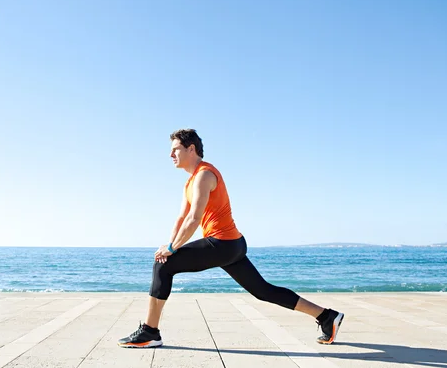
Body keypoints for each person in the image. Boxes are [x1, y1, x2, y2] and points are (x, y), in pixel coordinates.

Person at [118, 129, 344, 348]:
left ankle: (150, 332)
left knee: (162, 267)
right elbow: (182, 218)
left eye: (175, 149)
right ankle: (326, 316)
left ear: (191, 149)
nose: (170, 155)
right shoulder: (190, 181)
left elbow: (195, 219)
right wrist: (168, 244)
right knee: (263, 291)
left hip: (222, 244)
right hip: (232, 245)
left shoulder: (205, 175)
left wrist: (171, 248)